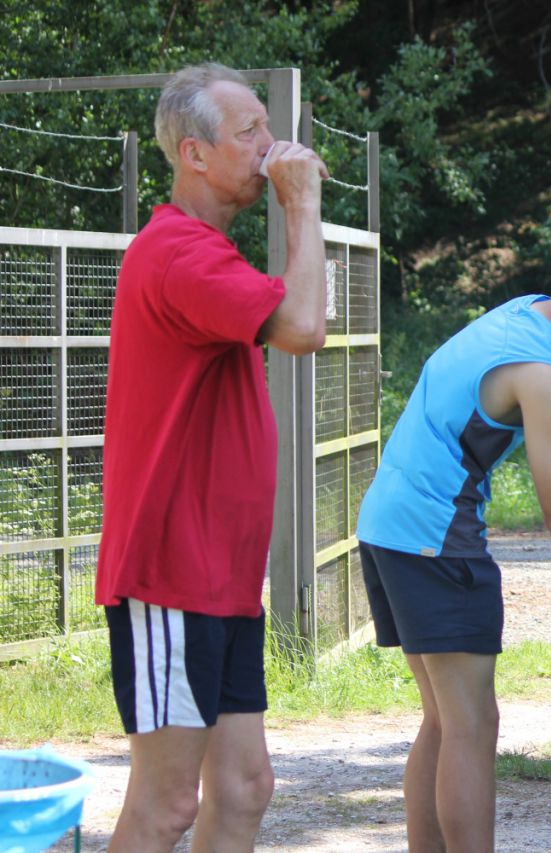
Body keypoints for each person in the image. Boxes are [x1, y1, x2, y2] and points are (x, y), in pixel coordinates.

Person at [354, 229, 551, 851]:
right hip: (435, 537)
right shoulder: (539, 371)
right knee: (471, 725)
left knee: (446, 721)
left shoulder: (528, 318)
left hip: (390, 527)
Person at [94, 63, 329, 852]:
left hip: (220, 575)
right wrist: (302, 206)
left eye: (267, 127)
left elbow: (292, 313)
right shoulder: (179, 253)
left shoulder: (206, 253)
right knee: (166, 806)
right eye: (249, 130)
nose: (270, 144)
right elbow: (303, 326)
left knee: (242, 788)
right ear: (194, 154)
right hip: (172, 573)